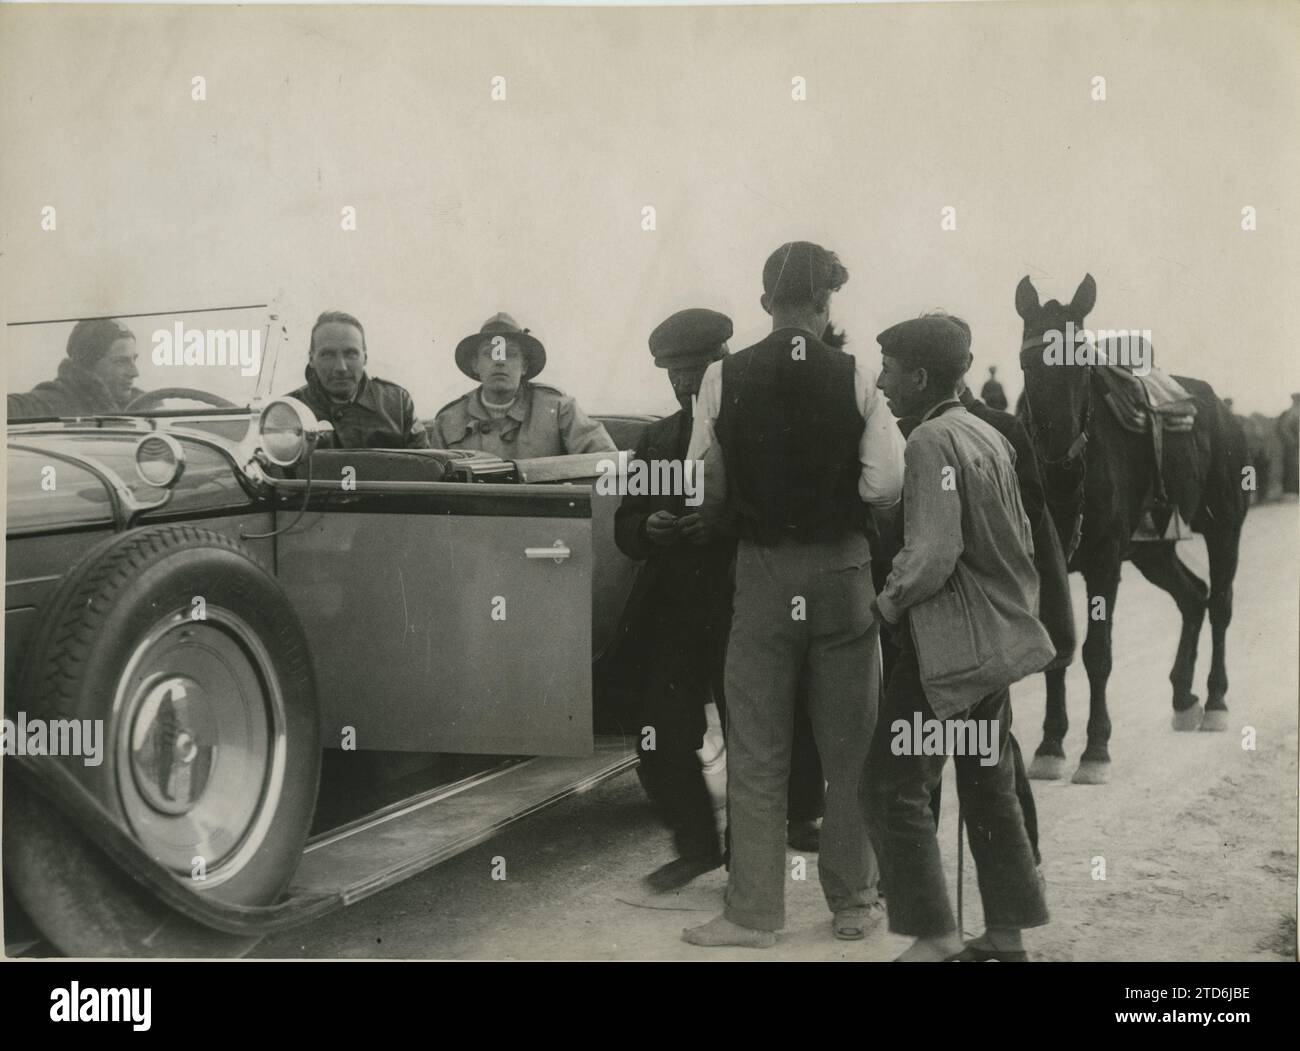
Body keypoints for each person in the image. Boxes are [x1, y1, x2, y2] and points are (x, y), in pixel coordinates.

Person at [681, 242, 905, 948]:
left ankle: (753, 913)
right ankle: (854, 902)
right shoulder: (857, 376)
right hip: (843, 575)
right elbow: (886, 484)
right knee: (852, 748)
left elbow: (702, 487)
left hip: (764, 575)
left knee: (756, 749)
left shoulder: (723, 377)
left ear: (763, 304)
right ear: (826, 302)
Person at [864, 312, 1053, 962]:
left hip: (944, 650)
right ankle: (1005, 933)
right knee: (988, 784)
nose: (882, 381)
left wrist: (883, 605)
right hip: (993, 647)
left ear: (918, 375)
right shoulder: (985, 432)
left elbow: (933, 554)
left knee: (889, 786)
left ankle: (937, 935)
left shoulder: (929, 442)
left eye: (888, 368)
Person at [609, 308, 736, 892]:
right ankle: (696, 846)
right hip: (675, 612)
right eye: (674, 375)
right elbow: (626, 523)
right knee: (660, 729)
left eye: (695, 371)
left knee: (754, 732)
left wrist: (720, 526)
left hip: (744, 604)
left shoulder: (753, 427)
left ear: (724, 363)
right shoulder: (658, 438)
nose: (684, 384)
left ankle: (751, 855)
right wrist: (647, 528)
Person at [429, 313, 616, 458]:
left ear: (524, 366)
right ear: (475, 365)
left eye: (510, 354)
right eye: (490, 353)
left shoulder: (558, 410)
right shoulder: (448, 421)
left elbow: (607, 462)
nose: (500, 362)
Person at [288, 310, 429, 449]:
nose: (340, 367)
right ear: (311, 359)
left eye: (351, 354)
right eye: (328, 354)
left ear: (365, 358)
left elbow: (425, 465)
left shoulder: (397, 403)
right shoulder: (287, 410)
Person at [8, 318, 143, 419]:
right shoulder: (56, 400)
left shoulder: (143, 403)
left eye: (134, 359)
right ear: (89, 364)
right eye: (120, 362)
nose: (134, 372)